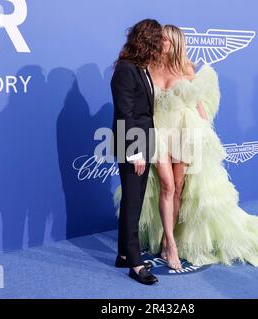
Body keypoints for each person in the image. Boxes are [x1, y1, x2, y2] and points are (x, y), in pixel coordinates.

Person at [115, 25, 258, 270]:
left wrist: (204, 130)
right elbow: (136, 104)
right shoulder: (147, 67)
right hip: (157, 132)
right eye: (159, 39)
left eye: (165, 39)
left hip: (184, 132)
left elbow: (197, 102)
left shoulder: (186, 67)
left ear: (174, 43)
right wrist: (135, 142)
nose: (161, 43)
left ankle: (166, 236)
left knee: (178, 187)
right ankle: (171, 244)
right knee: (166, 184)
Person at [111, 19, 163, 284]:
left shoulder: (141, 68)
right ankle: (135, 263)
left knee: (135, 200)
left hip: (143, 142)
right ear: (148, 41)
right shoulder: (125, 69)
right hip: (133, 146)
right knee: (133, 204)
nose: (163, 45)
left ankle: (122, 254)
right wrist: (136, 152)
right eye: (159, 41)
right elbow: (125, 113)